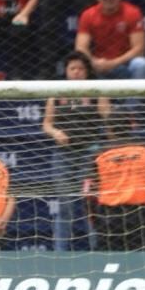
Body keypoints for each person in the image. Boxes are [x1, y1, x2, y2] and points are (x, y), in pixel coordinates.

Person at [42, 51, 110, 251]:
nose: (77, 72)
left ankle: (97, 251)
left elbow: (108, 121)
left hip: (90, 154)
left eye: (81, 68)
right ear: (66, 71)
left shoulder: (97, 92)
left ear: (87, 71)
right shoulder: (56, 94)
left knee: (91, 206)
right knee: (65, 205)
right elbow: (46, 124)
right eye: (73, 68)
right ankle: (60, 253)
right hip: (63, 154)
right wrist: (56, 133)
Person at [90, 121, 145, 250]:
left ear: (109, 128)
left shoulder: (100, 154)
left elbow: (89, 190)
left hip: (109, 216)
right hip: (141, 215)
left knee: (107, 261)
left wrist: (94, 220)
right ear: (132, 125)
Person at [75, 0, 145, 79]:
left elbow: (139, 49)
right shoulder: (88, 15)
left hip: (124, 64)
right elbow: (81, 47)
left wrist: (113, 63)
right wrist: (94, 61)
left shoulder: (132, 13)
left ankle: (136, 96)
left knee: (141, 64)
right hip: (98, 66)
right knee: (78, 65)